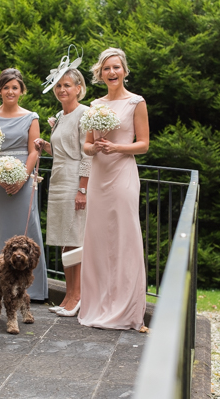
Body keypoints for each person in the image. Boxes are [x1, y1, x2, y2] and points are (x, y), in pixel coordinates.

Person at [79, 48, 150, 331]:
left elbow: (143, 144)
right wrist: (94, 147)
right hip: (99, 176)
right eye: (107, 68)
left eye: (116, 67)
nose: (112, 72)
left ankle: (128, 311)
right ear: (100, 73)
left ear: (124, 71)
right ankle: (97, 305)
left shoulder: (136, 102)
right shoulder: (95, 105)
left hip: (122, 175)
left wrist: (115, 147)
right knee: (98, 241)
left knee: (124, 239)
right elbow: (85, 145)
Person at [0, 68, 49, 301]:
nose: (10, 91)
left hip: (24, 178)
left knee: (28, 226)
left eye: (15, 87)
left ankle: (33, 290)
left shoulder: (32, 117)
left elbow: (33, 152)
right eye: (6, 87)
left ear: (21, 91)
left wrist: (22, 179)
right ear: (0, 90)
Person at [34, 64, 91, 317]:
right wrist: (45, 144)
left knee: (74, 240)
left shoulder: (85, 114)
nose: (61, 89)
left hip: (73, 181)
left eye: (67, 85)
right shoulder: (60, 116)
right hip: (58, 179)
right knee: (64, 241)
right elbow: (61, 152)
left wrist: (83, 189)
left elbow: (86, 156)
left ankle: (77, 296)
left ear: (79, 88)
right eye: (58, 85)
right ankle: (68, 294)